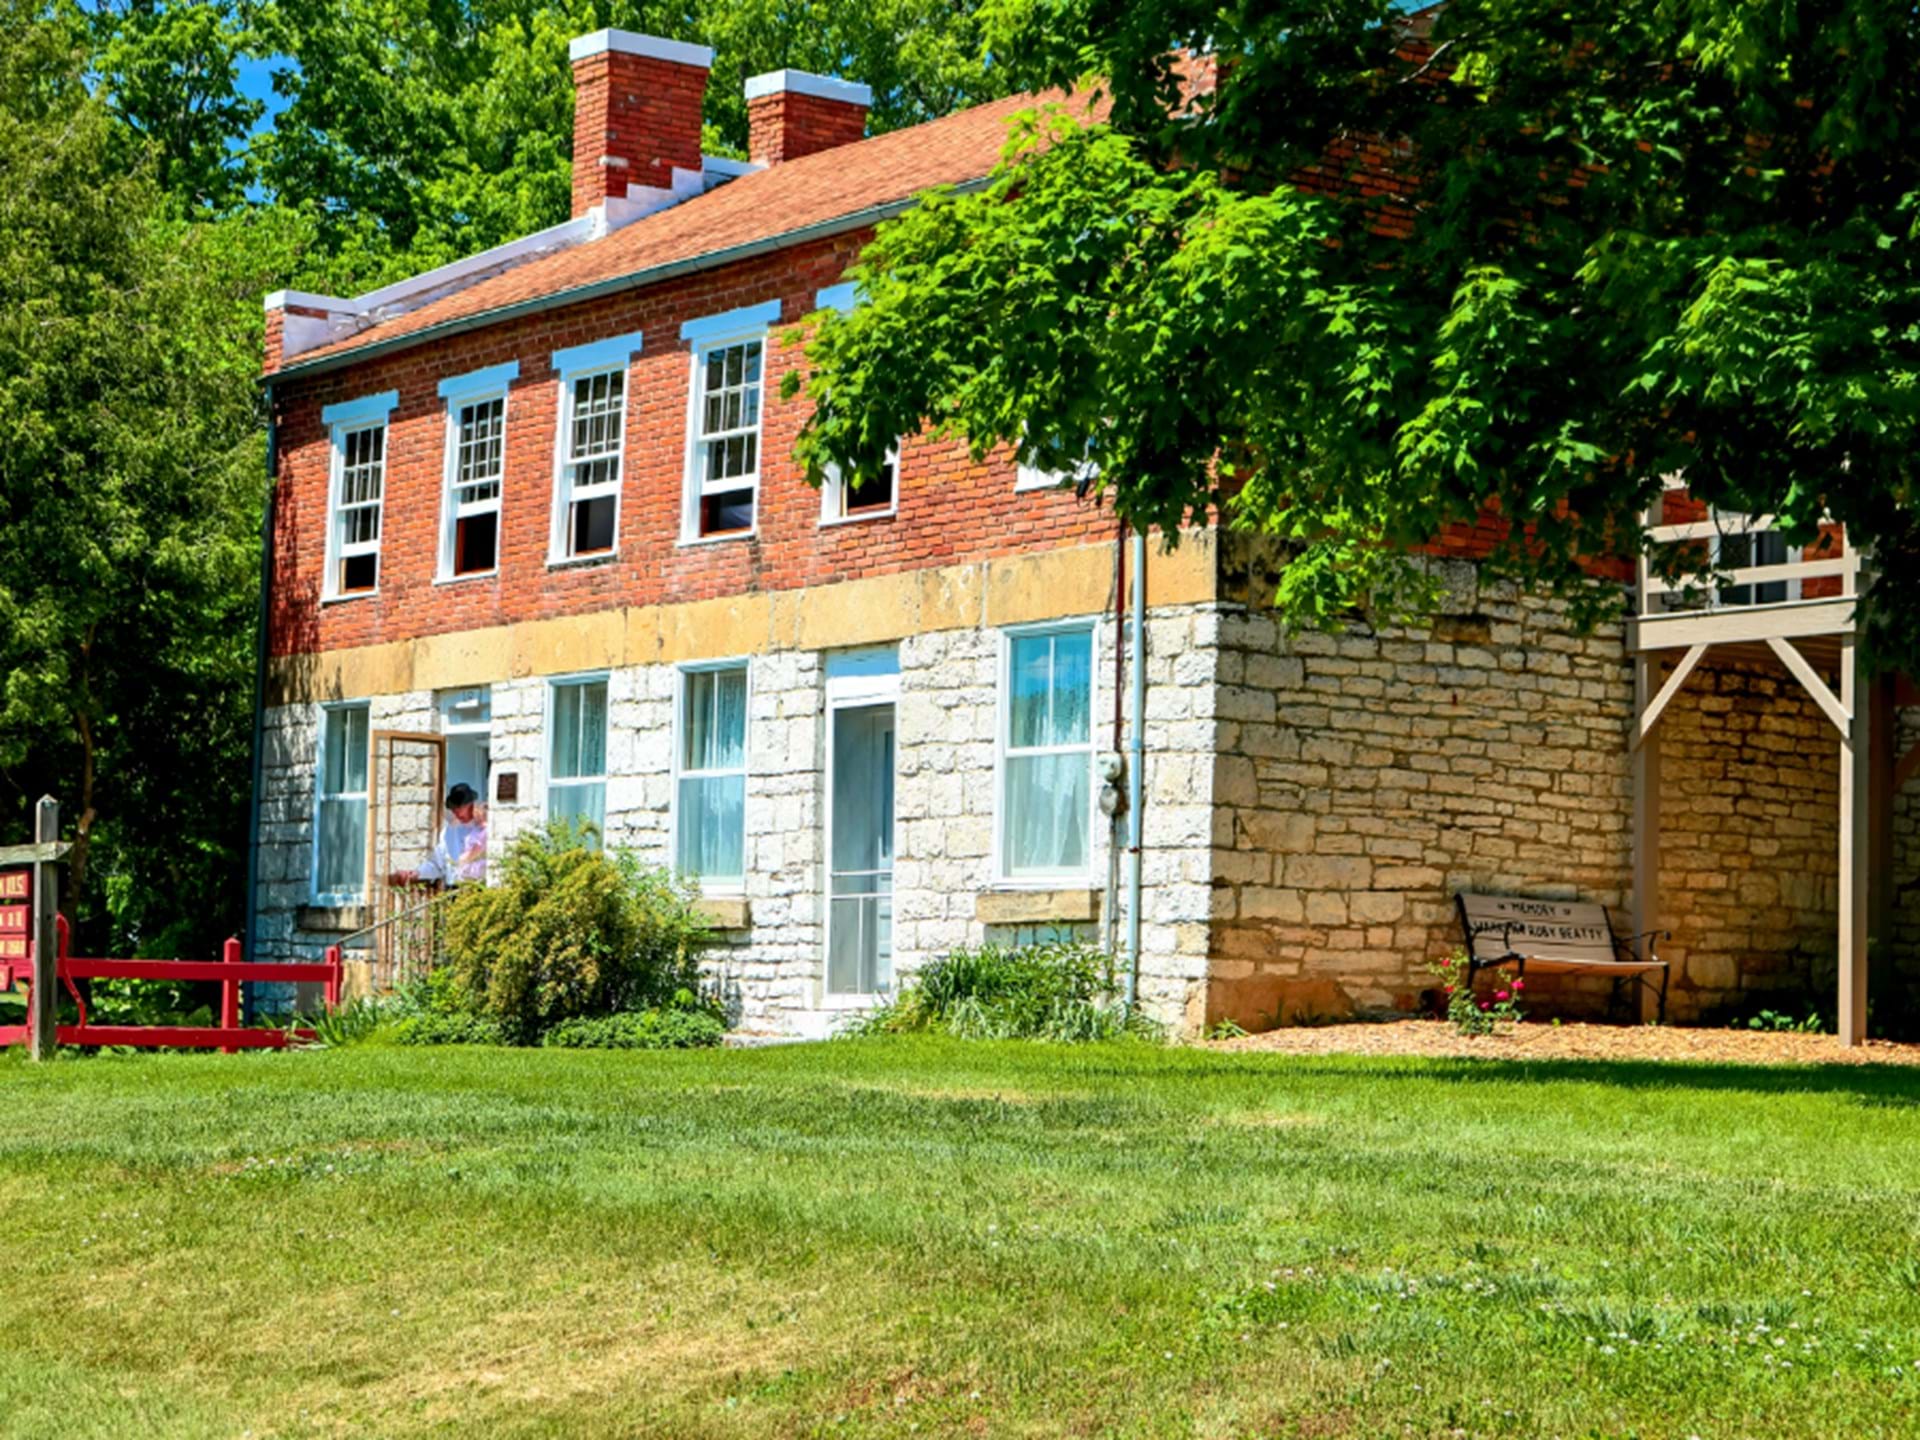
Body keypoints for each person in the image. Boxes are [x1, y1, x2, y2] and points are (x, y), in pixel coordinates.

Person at [389, 783, 487, 888]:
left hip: (479, 888)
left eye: (461, 807)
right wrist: (417, 874)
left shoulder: (483, 829)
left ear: (470, 805)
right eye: (454, 809)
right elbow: (437, 864)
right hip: (453, 889)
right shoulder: (448, 832)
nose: (458, 813)